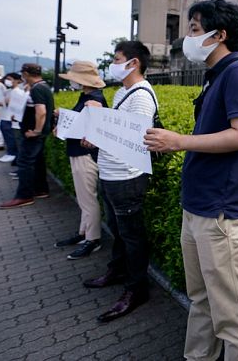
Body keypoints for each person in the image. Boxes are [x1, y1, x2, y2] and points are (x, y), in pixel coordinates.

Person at [145, 0, 238, 361]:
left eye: (195, 29)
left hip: (222, 213)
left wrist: (180, 141)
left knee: (235, 317)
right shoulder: (217, 75)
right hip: (199, 209)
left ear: (220, 35)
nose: (188, 37)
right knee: (201, 300)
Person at [82, 41, 157, 323]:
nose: (113, 64)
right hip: (110, 172)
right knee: (117, 228)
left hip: (127, 177)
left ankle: (136, 289)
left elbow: (134, 140)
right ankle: (117, 270)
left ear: (133, 63)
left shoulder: (141, 96)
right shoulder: (122, 93)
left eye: (117, 58)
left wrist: (100, 133)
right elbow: (114, 133)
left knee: (132, 234)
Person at [53, 60, 107, 259]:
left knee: (87, 200)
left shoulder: (94, 99)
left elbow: (95, 128)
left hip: (85, 156)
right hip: (79, 154)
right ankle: (84, 233)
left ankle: (93, 240)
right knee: (84, 198)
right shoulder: (87, 96)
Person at [0, 64, 54, 209]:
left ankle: (24, 195)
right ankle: (40, 189)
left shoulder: (37, 89)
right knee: (37, 161)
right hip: (38, 133)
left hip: (33, 134)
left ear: (25, 73)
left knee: (25, 162)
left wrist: (36, 131)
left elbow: (41, 111)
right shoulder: (43, 87)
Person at [0, 73, 22, 163]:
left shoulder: (18, 92)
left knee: (11, 138)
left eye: (10, 79)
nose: (7, 81)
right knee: (7, 137)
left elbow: (13, 104)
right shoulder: (8, 91)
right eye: (7, 79)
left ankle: (12, 154)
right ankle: (9, 153)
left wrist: (4, 102)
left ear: (17, 80)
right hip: (4, 116)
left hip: (10, 118)